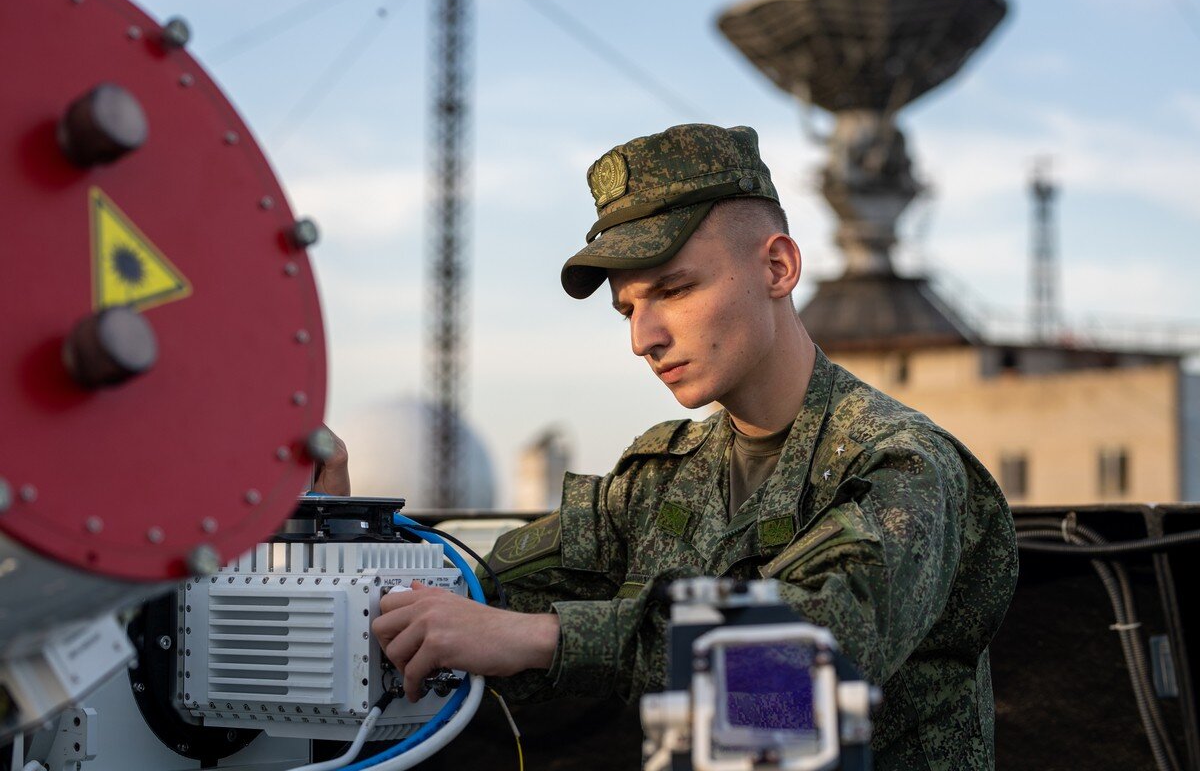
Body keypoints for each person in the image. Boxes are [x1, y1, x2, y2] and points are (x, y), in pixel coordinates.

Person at [370, 123, 1018, 770]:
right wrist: (351, 534)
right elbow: (483, 594)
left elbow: (813, 659)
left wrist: (545, 637)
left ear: (778, 267)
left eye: (674, 290)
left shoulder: (902, 464)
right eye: (628, 310)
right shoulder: (662, 477)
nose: (643, 338)